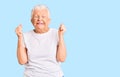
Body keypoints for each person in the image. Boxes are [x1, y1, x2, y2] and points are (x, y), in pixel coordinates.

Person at [15, 4, 67, 77]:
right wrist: (19, 37)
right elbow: (22, 61)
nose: (40, 19)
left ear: (49, 20)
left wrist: (61, 36)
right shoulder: (25, 36)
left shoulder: (57, 33)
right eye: (36, 16)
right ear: (31, 20)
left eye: (43, 16)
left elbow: (61, 58)